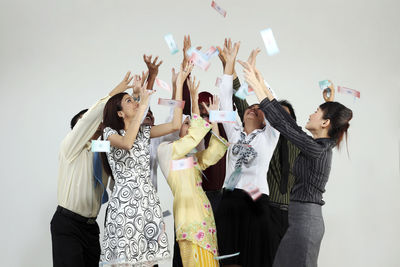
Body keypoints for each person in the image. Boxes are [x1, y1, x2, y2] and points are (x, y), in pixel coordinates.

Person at [239, 60, 353, 267]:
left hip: (306, 221)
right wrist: (260, 81)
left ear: (325, 123)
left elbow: (284, 124)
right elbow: (288, 121)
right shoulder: (319, 144)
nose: (310, 114)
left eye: (316, 111)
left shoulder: (315, 148)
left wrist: (256, 85)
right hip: (300, 220)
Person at [100, 62, 193, 266]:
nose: (134, 102)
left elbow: (176, 125)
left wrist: (178, 87)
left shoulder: (144, 132)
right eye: (128, 101)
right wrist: (142, 102)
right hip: (124, 206)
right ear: (119, 113)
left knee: (149, 262)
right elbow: (126, 143)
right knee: (125, 260)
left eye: (134, 100)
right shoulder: (110, 133)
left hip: (148, 203)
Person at [50, 72, 135, 267]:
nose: (95, 125)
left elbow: (127, 137)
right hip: (68, 224)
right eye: (85, 123)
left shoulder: (102, 148)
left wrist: (135, 99)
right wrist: (116, 92)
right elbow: (92, 118)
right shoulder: (71, 147)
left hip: (90, 227)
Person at [215, 39, 280, 267]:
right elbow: (224, 102)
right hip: (230, 201)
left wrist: (256, 77)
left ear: (265, 119)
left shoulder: (269, 137)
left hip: (255, 202)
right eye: (250, 107)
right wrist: (228, 66)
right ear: (241, 115)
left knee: (253, 261)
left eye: (259, 109)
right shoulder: (233, 133)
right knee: (228, 262)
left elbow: (275, 108)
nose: (254, 108)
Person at [157, 94, 227, 267]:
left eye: (191, 123)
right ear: (178, 129)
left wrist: (215, 119)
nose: (190, 127)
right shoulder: (166, 151)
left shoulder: (193, 158)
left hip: (205, 216)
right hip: (188, 219)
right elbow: (191, 139)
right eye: (186, 123)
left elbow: (215, 151)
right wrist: (195, 106)